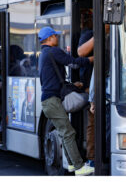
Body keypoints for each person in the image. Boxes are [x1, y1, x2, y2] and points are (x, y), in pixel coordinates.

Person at [38, 26, 94, 176]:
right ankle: (79, 167)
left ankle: (70, 164)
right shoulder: (54, 51)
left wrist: (71, 85)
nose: (57, 38)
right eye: (55, 36)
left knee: (65, 133)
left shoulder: (43, 54)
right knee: (68, 133)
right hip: (52, 101)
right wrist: (92, 59)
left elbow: (50, 80)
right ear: (50, 39)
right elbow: (74, 63)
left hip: (48, 102)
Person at [77, 24, 110, 168]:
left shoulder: (119, 35)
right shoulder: (93, 34)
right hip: (94, 87)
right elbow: (81, 53)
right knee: (94, 123)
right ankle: (92, 159)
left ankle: (105, 156)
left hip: (111, 89)